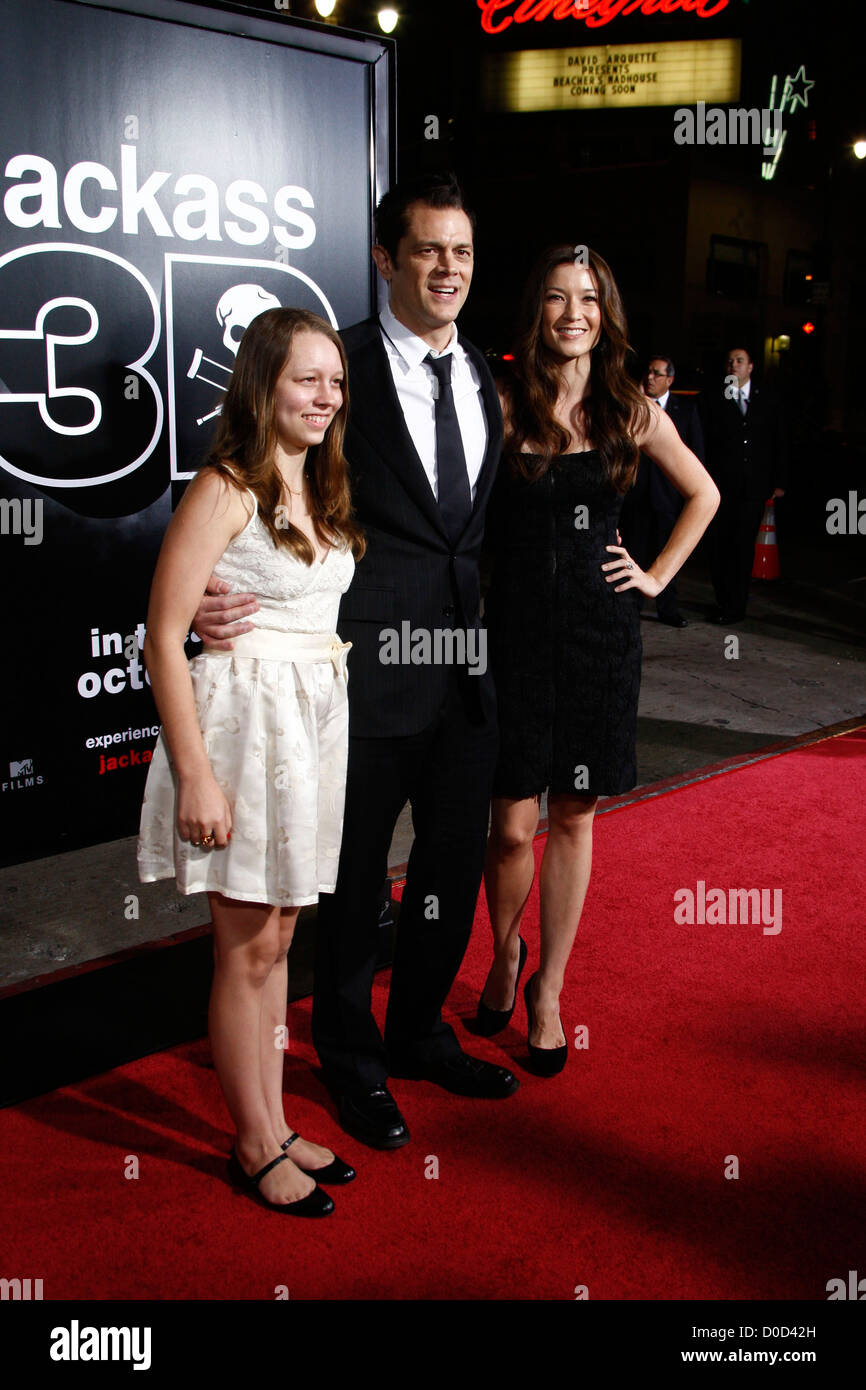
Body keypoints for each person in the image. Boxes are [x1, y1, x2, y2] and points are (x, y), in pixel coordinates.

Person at [191, 173, 514, 1151]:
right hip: (359, 676)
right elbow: (254, 470)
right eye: (428, 249)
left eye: (461, 250)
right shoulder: (342, 367)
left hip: (465, 672)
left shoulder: (482, 373)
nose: (448, 268)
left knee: (449, 867)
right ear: (386, 258)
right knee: (347, 881)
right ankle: (349, 1058)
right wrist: (204, 584)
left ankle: (417, 1033)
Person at [137, 308, 364, 1212]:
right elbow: (163, 636)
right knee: (244, 948)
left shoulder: (322, 482)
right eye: (306, 378)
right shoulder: (225, 486)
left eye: (335, 380)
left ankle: (274, 1123)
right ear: (263, 385)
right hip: (242, 731)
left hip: (310, 728)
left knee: (278, 941)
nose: (325, 396)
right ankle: (251, 1143)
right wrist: (196, 774)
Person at [477, 245, 719, 1075]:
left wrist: (654, 576)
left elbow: (705, 493)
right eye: (556, 298)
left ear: (606, 313)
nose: (572, 313)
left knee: (574, 816)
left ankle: (548, 989)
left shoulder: (630, 409)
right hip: (513, 636)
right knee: (511, 827)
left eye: (587, 299)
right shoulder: (502, 400)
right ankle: (504, 953)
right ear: (536, 310)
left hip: (598, 636)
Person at [699, 347, 786, 624]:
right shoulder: (714, 399)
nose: (733, 365)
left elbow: (778, 441)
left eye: (739, 361)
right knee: (720, 545)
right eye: (730, 361)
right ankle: (723, 600)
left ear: (750, 367)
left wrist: (778, 481)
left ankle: (736, 606)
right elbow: (705, 442)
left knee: (743, 546)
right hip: (721, 486)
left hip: (753, 488)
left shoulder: (767, 399)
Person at [619, 354, 706, 628]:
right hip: (635, 497)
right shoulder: (630, 408)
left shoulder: (685, 410)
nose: (650, 377)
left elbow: (696, 454)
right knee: (634, 552)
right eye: (648, 372)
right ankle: (630, 610)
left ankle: (668, 609)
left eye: (657, 373)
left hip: (668, 498)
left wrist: (686, 494)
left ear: (670, 379)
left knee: (665, 550)